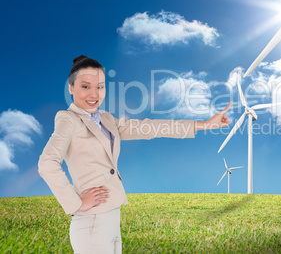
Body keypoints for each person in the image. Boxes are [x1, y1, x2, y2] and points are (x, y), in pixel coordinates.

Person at [38, 55, 232, 253]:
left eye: (100, 87)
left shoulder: (105, 119)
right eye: (85, 86)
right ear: (71, 88)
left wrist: (205, 124)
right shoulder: (68, 119)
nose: (94, 94)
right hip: (91, 223)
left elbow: (150, 128)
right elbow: (47, 164)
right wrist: (76, 203)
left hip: (111, 218)